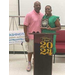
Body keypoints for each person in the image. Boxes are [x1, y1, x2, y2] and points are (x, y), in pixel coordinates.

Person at [24, 1, 43, 72]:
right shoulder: (29, 14)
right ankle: (29, 63)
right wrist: (26, 36)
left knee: (37, 51)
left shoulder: (42, 15)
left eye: (39, 5)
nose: (38, 6)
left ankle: (34, 61)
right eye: (36, 5)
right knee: (30, 51)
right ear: (34, 6)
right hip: (31, 37)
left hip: (39, 37)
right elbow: (25, 25)